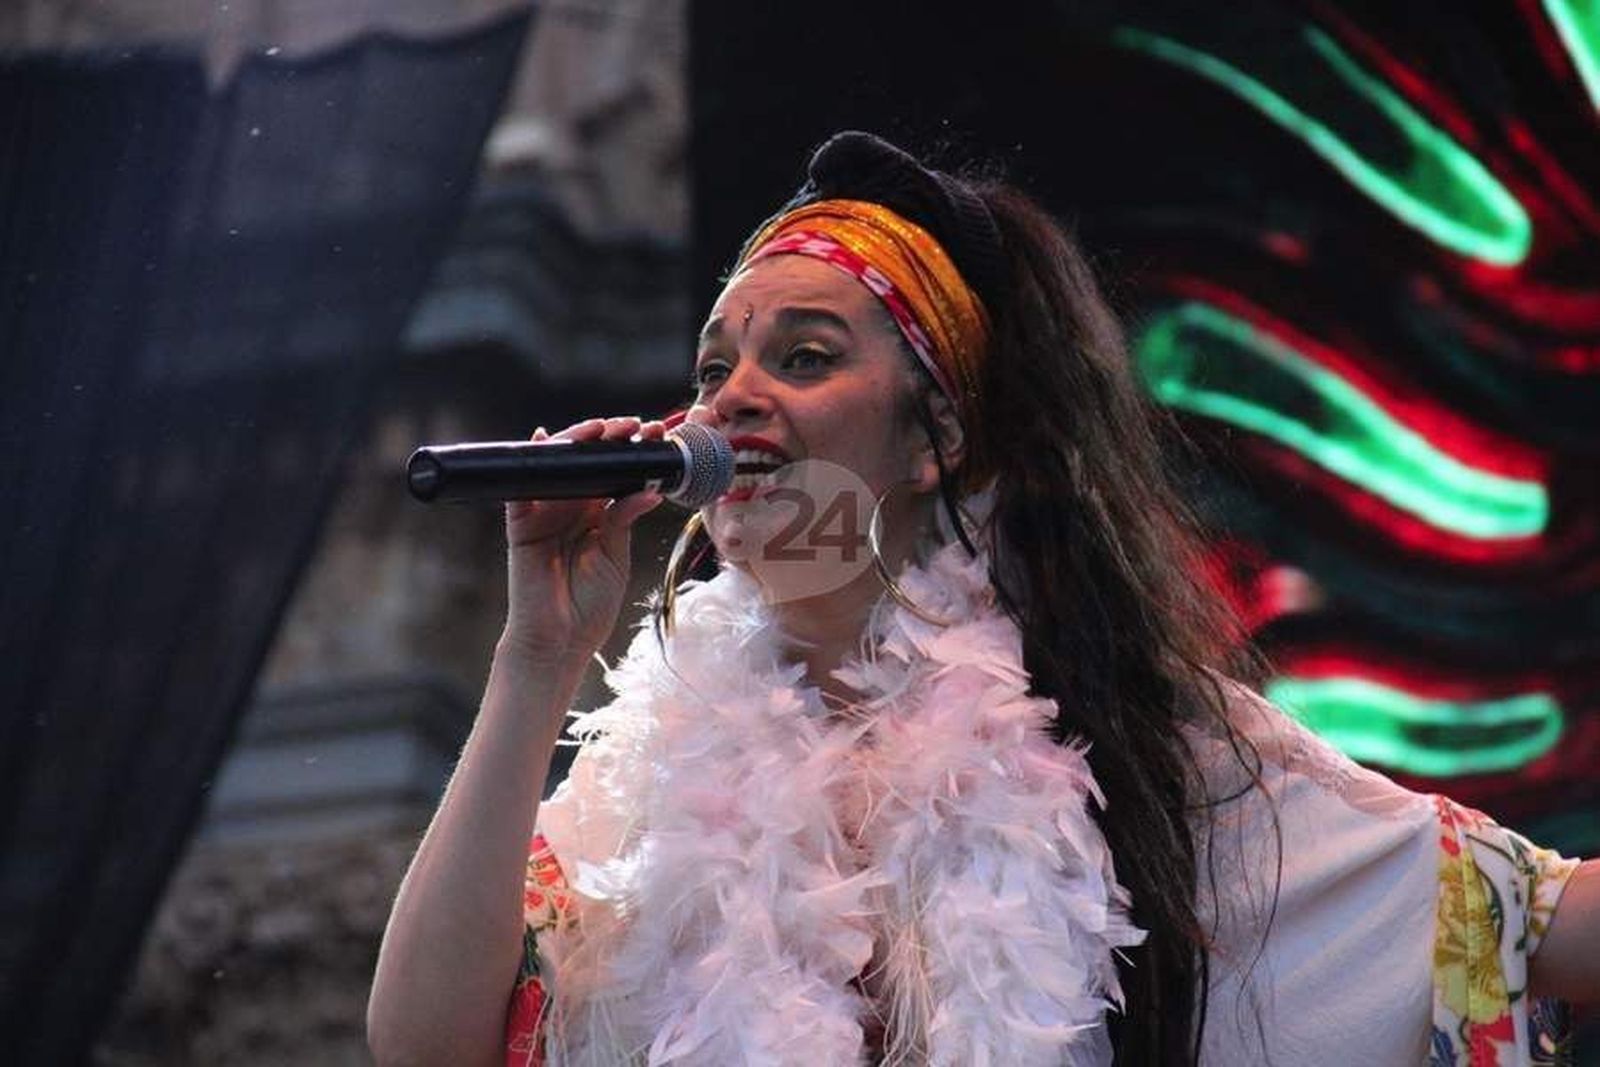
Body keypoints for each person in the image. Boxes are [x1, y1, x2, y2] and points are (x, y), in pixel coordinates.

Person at [367, 131, 1597, 1066]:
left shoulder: (1137, 750)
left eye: (801, 356)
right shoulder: (643, 778)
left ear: (936, 436)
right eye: (714, 364)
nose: (729, 396)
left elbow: (1531, 917)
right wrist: (537, 655)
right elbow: (423, 1039)